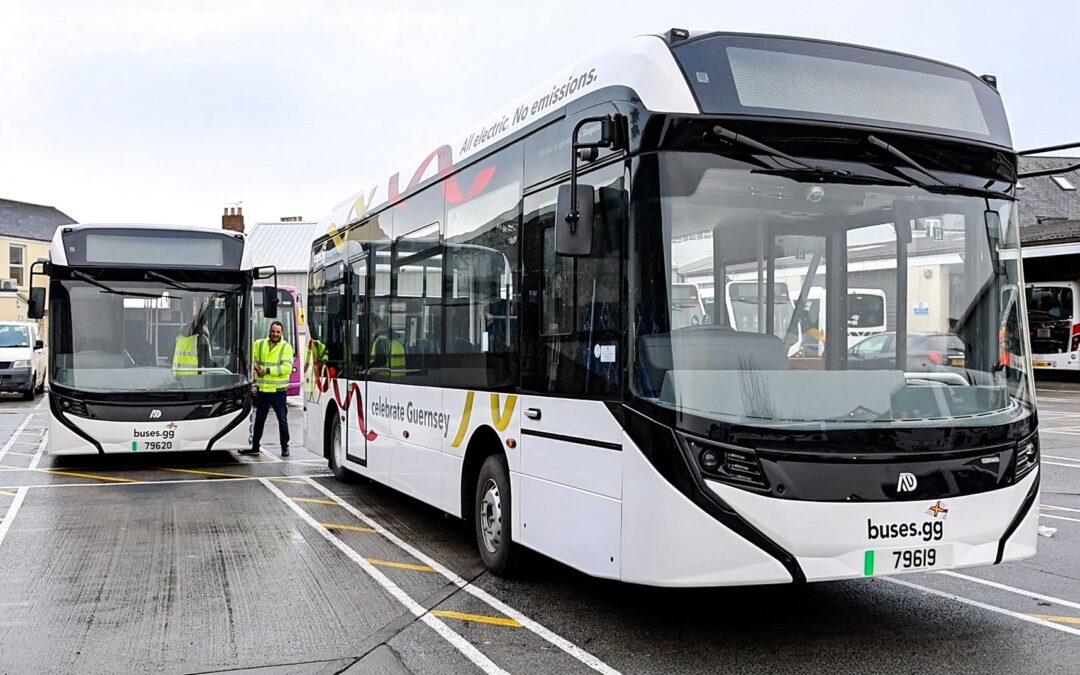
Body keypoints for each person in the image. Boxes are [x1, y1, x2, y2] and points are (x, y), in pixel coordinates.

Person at [242, 321, 294, 457]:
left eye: (278, 332)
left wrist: (267, 370)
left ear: (282, 333)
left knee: (282, 420)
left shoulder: (286, 347)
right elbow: (249, 356)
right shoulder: (259, 344)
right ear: (269, 331)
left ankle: (285, 447)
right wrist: (255, 366)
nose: (275, 334)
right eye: (273, 331)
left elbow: (287, 368)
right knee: (259, 420)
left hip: (278, 391)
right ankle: (254, 446)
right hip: (263, 390)